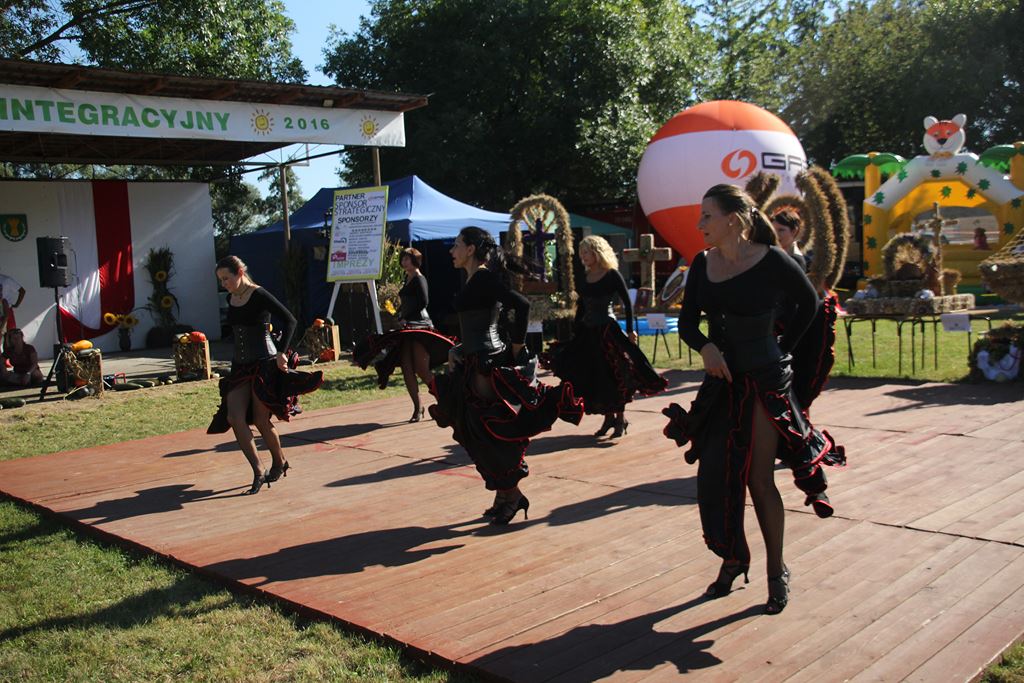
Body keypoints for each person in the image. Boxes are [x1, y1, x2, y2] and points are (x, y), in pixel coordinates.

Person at [663, 184, 846, 615]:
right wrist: (706, 347)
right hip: (722, 385)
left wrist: (780, 350)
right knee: (715, 474)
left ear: (733, 219)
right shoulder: (702, 265)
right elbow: (688, 324)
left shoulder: (772, 260)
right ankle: (733, 559)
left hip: (764, 383)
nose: (699, 224)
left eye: (707, 215)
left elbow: (809, 306)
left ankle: (775, 571)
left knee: (757, 479)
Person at [430, 227, 584, 525]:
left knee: (488, 430)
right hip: (474, 359)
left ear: (471, 249)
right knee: (475, 428)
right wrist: (458, 350)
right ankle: (503, 495)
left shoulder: (485, 276)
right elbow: (480, 320)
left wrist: (517, 346)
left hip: (487, 362)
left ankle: (512, 495)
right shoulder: (475, 277)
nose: (452, 251)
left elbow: (522, 305)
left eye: (457, 245)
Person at [207, 256, 324, 495]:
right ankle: (258, 471)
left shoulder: (259, 294)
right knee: (234, 416)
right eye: (221, 280)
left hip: (264, 363)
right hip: (240, 366)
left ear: (240, 272)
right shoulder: (231, 299)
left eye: (226, 278)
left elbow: (290, 319)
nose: (224, 284)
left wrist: (282, 353)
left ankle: (279, 462)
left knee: (261, 421)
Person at [547, 235, 666, 438]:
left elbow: (627, 304)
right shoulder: (584, 277)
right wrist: (576, 330)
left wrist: (630, 330)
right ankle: (608, 418)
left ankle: (620, 419)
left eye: (586, 252)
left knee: (613, 375)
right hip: (588, 331)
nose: (583, 256)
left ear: (597, 252)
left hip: (607, 331)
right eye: (581, 252)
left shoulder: (611, 274)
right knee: (595, 376)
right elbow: (582, 306)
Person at [353, 247, 455, 422]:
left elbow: (424, 301)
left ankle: (444, 402)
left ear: (415, 260)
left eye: (407, 259)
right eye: (403, 259)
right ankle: (418, 408)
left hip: (420, 327)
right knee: (407, 368)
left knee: (422, 370)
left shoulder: (419, 278)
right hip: (408, 327)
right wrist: (400, 313)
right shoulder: (408, 279)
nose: (404, 262)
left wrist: (405, 315)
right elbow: (408, 303)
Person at [0, 272, 26, 354]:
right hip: (6, 308)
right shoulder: (6, 279)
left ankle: (8, 357)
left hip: (6, 308)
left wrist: (16, 304)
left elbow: (22, 291)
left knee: (10, 335)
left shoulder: (7, 280)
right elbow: (22, 291)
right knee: (9, 335)